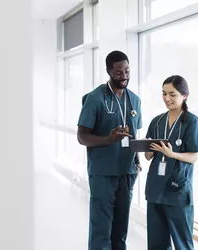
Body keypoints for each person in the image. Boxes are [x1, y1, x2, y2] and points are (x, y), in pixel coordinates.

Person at [77, 50, 143, 250]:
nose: (124, 76)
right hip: (103, 172)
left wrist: (137, 163)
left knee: (121, 228)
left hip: (127, 171)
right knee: (101, 227)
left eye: (127, 71)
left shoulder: (135, 100)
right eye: (118, 72)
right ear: (108, 71)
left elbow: (134, 135)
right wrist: (108, 138)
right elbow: (82, 136)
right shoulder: (95, 99)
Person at [144, 75, 198, 250]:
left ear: (184, 95)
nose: (167, 99)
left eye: (172, 94)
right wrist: (146, 147)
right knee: (156, 243)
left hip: (177, 190)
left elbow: (193, 156)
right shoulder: (157, 121)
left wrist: (172, 154)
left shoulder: (191, 121)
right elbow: (148, 157)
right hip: (156, 189)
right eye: (164, 94)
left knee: (182, 243)